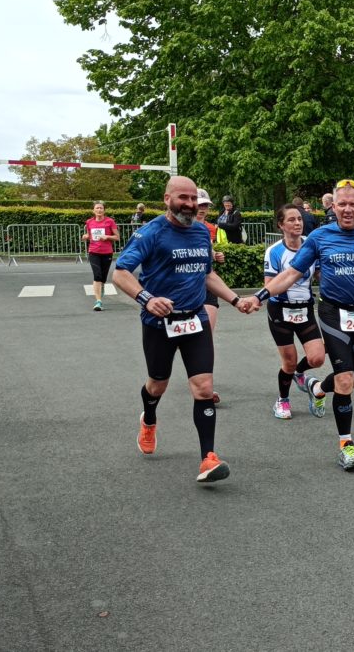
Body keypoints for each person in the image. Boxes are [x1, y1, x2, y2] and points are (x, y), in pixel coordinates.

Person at [113, 176, 255, 484]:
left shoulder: (201, 233)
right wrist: (147, 299)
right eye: (183, 198)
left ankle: (208, 458)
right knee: (157, 385)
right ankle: (149, 419)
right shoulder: (150, 233)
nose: (190, 204)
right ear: (167, 199)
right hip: (159, 323)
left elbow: (207, 274)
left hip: (195, 320)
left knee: (203, 388)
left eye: (194, 199)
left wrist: (235, 300)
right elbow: (121, 273)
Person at [250, 179, 354, 471]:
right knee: (344, 380)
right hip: (332, 313)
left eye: (352, 204)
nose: (347, 209)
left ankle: (317, 389)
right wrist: (260, 295)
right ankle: (346, 445)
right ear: (333, 207)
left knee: (349, 381)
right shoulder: (320, 236)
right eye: (341, 204)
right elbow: (291, 274)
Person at [263, 203, 326, 420]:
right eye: (291, 220)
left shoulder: (311, 245)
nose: (298, 223)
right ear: (281, 225)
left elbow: (320, 275)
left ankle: (300, 373)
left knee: (317, 358)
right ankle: (282, 400)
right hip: (280, 311)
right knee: (288, 362)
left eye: (299, 219)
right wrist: (291, 277)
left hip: (305, 308)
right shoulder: (274, 251)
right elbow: (269, 285)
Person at [195, 190, 226, 404]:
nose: (202, 209)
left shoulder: (207, 229)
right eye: (199, 205)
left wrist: (215, 256)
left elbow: (207, 254)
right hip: (185, 289)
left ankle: (207, 386)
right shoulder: (176, 229)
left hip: (207, 286)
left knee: (206, 337)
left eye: (205, 205)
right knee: (185, 340)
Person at [82, 201, 120, 312]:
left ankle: (102, 285)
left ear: (104, 210)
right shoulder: (89, 222)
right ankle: (98, 301)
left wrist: (107, 236)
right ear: (93, 210)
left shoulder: (110, 221)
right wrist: (85, 236)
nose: (99, 210)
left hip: (107, 252)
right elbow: (89, 235)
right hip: (93, 252)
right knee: (97, 276)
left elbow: (117, 237)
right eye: (97, 208)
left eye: (101, 208)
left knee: (103, 278)